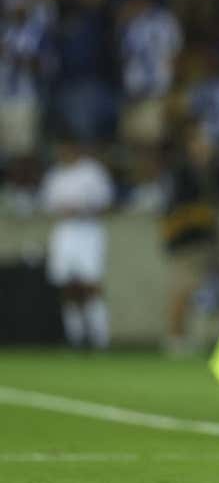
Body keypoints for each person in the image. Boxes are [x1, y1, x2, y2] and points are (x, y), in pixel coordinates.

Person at [41, 137, 116, 350]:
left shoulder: (92, 172)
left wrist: (82, 209)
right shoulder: (54, 175)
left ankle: (101, 337)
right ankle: (76, 336)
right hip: (65, 232)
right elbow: (48, 205)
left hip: (89, 231)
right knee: (67, 286)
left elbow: (106, 202)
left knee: (91, 284)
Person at [161, 122, 219, 356]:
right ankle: (174, 338)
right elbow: (175, 211)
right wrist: (199, 215)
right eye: (200, 143)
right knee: (181, 290)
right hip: (184, 242)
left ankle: (190, 336)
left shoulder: (207, 172)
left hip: (201, 242)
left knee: (198, 292)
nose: (205, 148)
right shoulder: (182, 173)